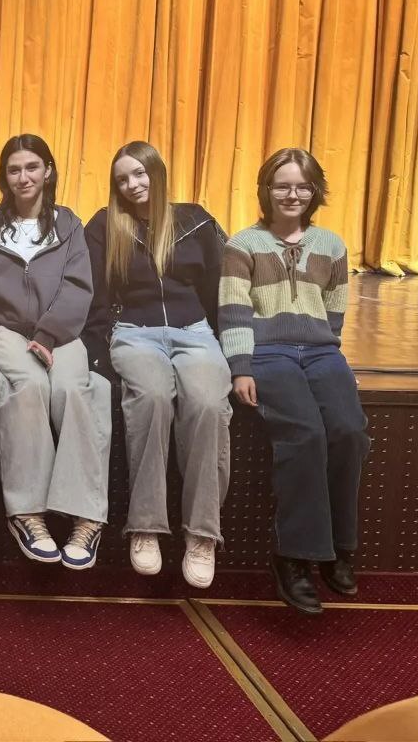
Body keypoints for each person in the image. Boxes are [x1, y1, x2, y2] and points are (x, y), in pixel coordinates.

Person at [220, 148, 369, 615]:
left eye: (303, 186)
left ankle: (339, 548)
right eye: (282, 185)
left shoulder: (332, 245)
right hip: (269, 353)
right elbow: (234, 311)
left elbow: (335, 310)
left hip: (321, 352)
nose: (292, 194)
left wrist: (332, 360)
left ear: (315, 192)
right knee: (305, 434)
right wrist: (241, 366)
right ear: (266, 190)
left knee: (349, 431)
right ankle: (294, 556)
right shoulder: (242, 244)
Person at [83, 141, 231, 588]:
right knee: (151, 399)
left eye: (139, 174)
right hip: (134, 333)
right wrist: (99, 348)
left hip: (195, 333)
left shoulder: (195, 220)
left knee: (207, 405)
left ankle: (202, 534)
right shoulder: (105, 225)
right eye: (122, 179)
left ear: (157, 172)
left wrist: (231, 350)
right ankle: (145, 525)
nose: (131, 185)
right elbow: (94, 294)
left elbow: (220, 288)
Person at [0, 134, 111, 570]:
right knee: (29, 386)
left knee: (72, 390)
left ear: (48, 170)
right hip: (6, 330)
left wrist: (49, 335)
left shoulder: (69, 225)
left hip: (62, 334)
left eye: (32, 167)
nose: (23, 177)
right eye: (14, 169)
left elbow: (78, 287)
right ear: (4, 177)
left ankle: (87, 516)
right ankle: (27, 512)